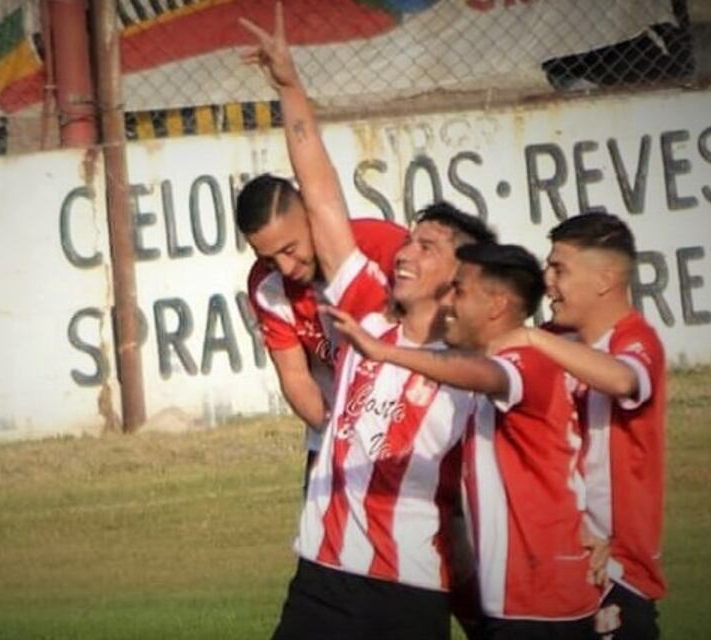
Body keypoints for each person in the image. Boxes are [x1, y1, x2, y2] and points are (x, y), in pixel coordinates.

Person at [240, 5, 495, 639]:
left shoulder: (480, 366)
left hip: (404, 589)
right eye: (409, 241)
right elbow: (319, 188)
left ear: (462, 280)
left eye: (427, 246)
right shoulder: (365, 312)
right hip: (322, 574)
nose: (404, 250)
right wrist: (290, 87)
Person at [329, 242, 605, 639]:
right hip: (523, 600)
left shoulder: (527, 363)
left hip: (542, 604)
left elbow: (486, 375)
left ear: (496, 304)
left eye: (459, 291)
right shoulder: (513, 362)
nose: (448, 304)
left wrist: (383, 352)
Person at [493, 213, 666, 638]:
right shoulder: (556, 337)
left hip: (617, 571)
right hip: (557, 565)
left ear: (605, 279)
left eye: (560, 269)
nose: (547, 281)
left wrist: (533, 338)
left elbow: (625, 380)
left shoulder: (636, 340)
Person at [237, 174, 408, 492]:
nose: (285, 268)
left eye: (290, 249)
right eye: (269, 259)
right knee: (321, 537)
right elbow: (295, 377)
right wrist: (338, 436)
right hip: (333, 434)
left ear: (311, 215)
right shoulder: (265, 285)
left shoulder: (384, 247)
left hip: (411, 430)